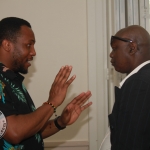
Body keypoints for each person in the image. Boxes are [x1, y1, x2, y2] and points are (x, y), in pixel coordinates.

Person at [0, 17, 92, 150]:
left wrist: (60, 122)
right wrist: (52, 102)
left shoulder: (11, 79)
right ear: (7, 45)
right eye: (28, 45)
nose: (33, 52)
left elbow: (30, 132)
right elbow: (14, 132)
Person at [108, 25, 150, 150]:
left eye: (115, 49)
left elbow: (130, 141)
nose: (111, 54)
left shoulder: (138, 84)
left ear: (132, 48)